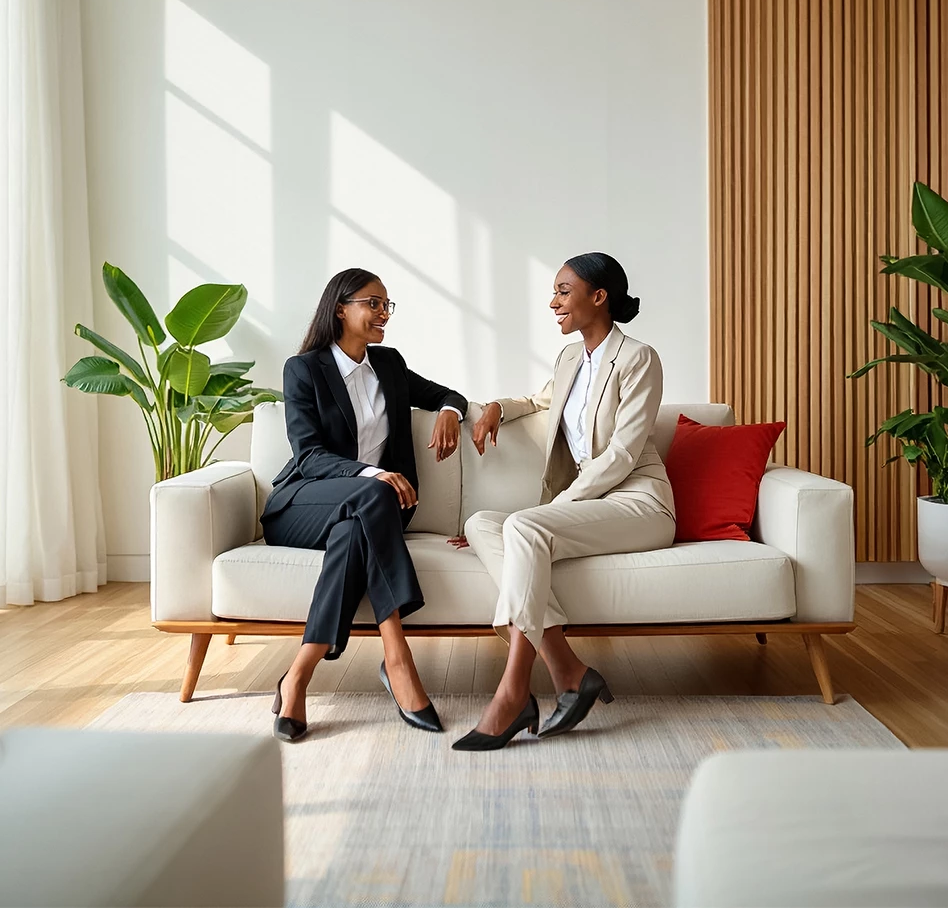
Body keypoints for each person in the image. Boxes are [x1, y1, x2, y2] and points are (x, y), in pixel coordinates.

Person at [453, 252, 675, 751]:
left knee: (525, 527)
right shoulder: (572, 358)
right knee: (484, 523)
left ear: (599, 297)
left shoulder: (638, 358)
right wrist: (493, 407)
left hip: (639, 503)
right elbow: (539, 401)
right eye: (554, 291)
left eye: (562, 290)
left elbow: (622, 453)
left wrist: (557, 508)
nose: (552, 302)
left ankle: (513, 691)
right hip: (593, 504)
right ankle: (569, 671)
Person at [262, 267, 467, 742]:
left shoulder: (389, 366)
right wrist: (374, 474)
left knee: (357, 529)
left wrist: (451, 414)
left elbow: (447, 395)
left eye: (386, 306)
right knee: (373, 494)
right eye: (372, 304)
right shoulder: (304, 369)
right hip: (304, 504)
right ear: (340, 308)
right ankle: (397, 658)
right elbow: (309, 456)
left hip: (369, 512)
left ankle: (298, 675)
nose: (383, 315)